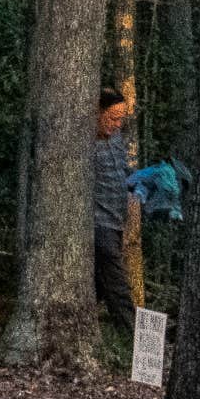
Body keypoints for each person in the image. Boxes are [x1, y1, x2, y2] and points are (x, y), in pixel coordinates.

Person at [90, 87, 138, 335]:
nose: (117, 124)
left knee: (99, 285)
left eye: (121, 118)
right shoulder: (85, 144)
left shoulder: (117, 139)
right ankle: (132, 339)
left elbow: (125, 174)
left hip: (117, 222)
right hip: (99, 225)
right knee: (117, 284)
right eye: (112, 117)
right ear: (97, 113)